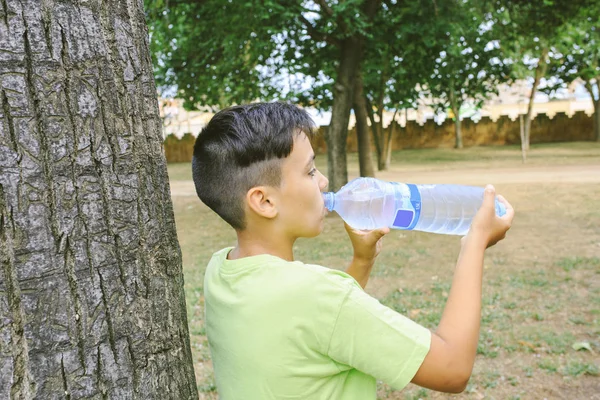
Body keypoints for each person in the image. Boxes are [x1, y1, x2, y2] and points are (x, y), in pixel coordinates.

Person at [192, 102, 514, 400]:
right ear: (264, 201)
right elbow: (453, 368)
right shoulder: (320, 296)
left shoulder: (220, 271)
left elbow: (310, 327)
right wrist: (474, 243)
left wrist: (362, 260)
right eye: (309, 171)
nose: (324, 181)